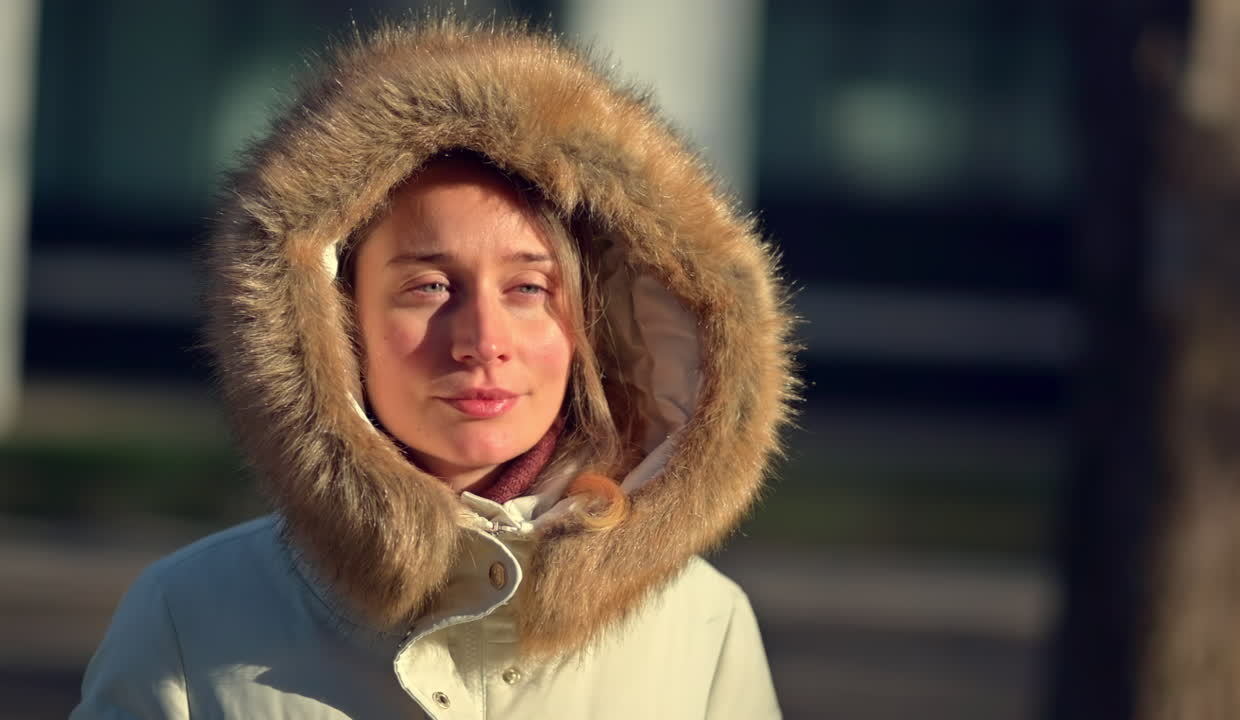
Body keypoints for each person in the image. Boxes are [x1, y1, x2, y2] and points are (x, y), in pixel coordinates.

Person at [72, 17, 796, 720]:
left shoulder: (702, 625)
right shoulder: (188, 616)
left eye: (528, 289)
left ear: (591, 328)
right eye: (429, 287)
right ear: (331, 321)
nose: (482, 340)